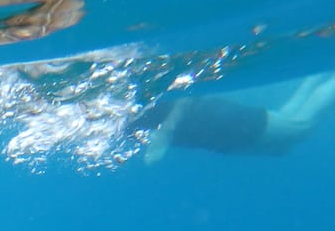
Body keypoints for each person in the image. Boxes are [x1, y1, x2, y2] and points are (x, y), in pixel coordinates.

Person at [137, 71, 335, 162]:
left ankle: (318, 78)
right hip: (221, 134)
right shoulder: (131, 110)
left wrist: (166, 132)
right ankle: (312, 77)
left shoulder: (144, 104)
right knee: (286, 131)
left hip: (222, 123)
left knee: (301, 126)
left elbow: (183, 98)